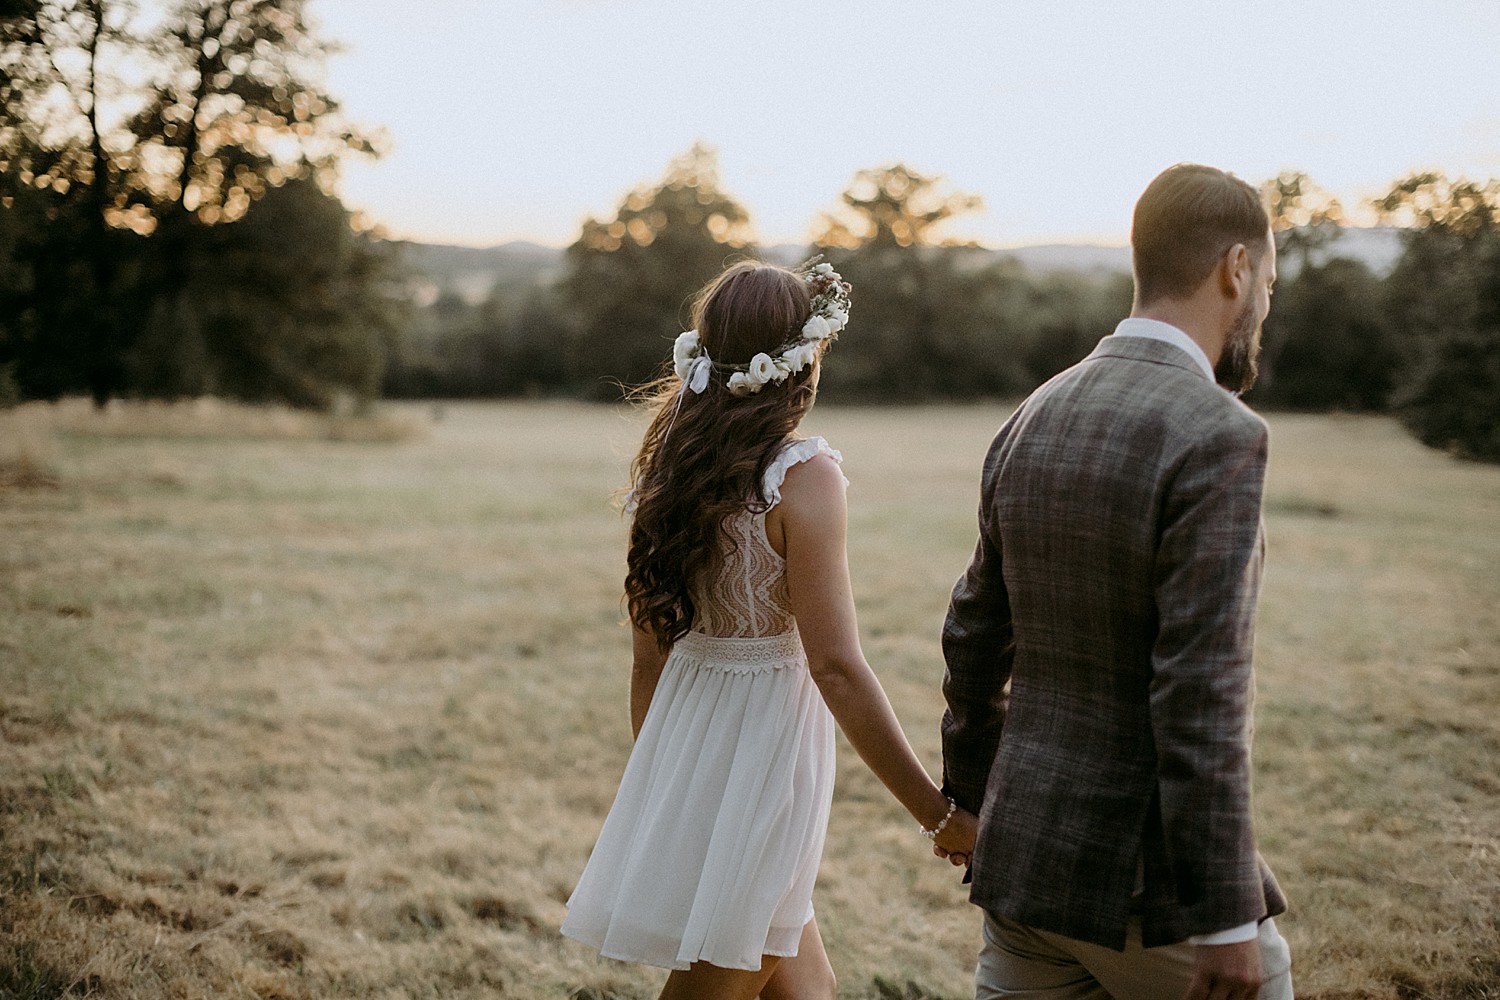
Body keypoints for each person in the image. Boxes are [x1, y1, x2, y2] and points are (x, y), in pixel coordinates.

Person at [562, 259, 977, 1000]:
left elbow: (647, 659)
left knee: (808, 990)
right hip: (766, 762)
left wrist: (664, 781)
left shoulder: (668, 470)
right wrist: (938, 814)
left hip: (690, 741)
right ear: (802, 362)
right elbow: (837, 668)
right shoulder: (802, 475)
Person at [938, 163, 1294, 1000]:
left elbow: (973, 634)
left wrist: (972, 799)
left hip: (1025, 868)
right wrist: (1225, 919)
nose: (1265, 308)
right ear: (1236, 269)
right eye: (1269, 285)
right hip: (1144, 890)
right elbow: (1199, 692)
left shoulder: (1033, 412)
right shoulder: (1219, 433)